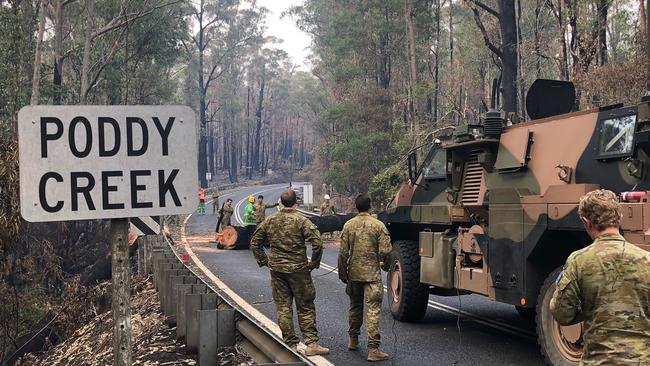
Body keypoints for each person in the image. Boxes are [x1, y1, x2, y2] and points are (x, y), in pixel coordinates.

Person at [550, 189, 650, 365]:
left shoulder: (578, 261)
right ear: (619, 218)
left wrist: (591, 306)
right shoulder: (647, 260)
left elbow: (562, 314)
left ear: (586, 222)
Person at [250, 189, 329, 356]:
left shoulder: (270, 220)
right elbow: (318, 243)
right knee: (305, 305)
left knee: (283, 307)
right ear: (295, 203)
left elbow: (255, 242)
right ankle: (312, 344)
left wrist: (264, 261)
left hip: (277, 270)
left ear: (280, 202)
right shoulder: (302, 221)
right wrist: (313, 263)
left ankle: (290, 344)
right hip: (299, 269)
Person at [338, 193, 392, 362]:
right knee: (373, 310)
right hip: (372, 276)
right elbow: (387, 251)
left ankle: (353, 340)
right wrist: (386, 265)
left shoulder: (348, 225)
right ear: (370, 206)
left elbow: (342, 253)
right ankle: (373, 349)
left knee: (354, 307)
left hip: (354, 274)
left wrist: (343, 273)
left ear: (356, 206)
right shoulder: (378, 225)